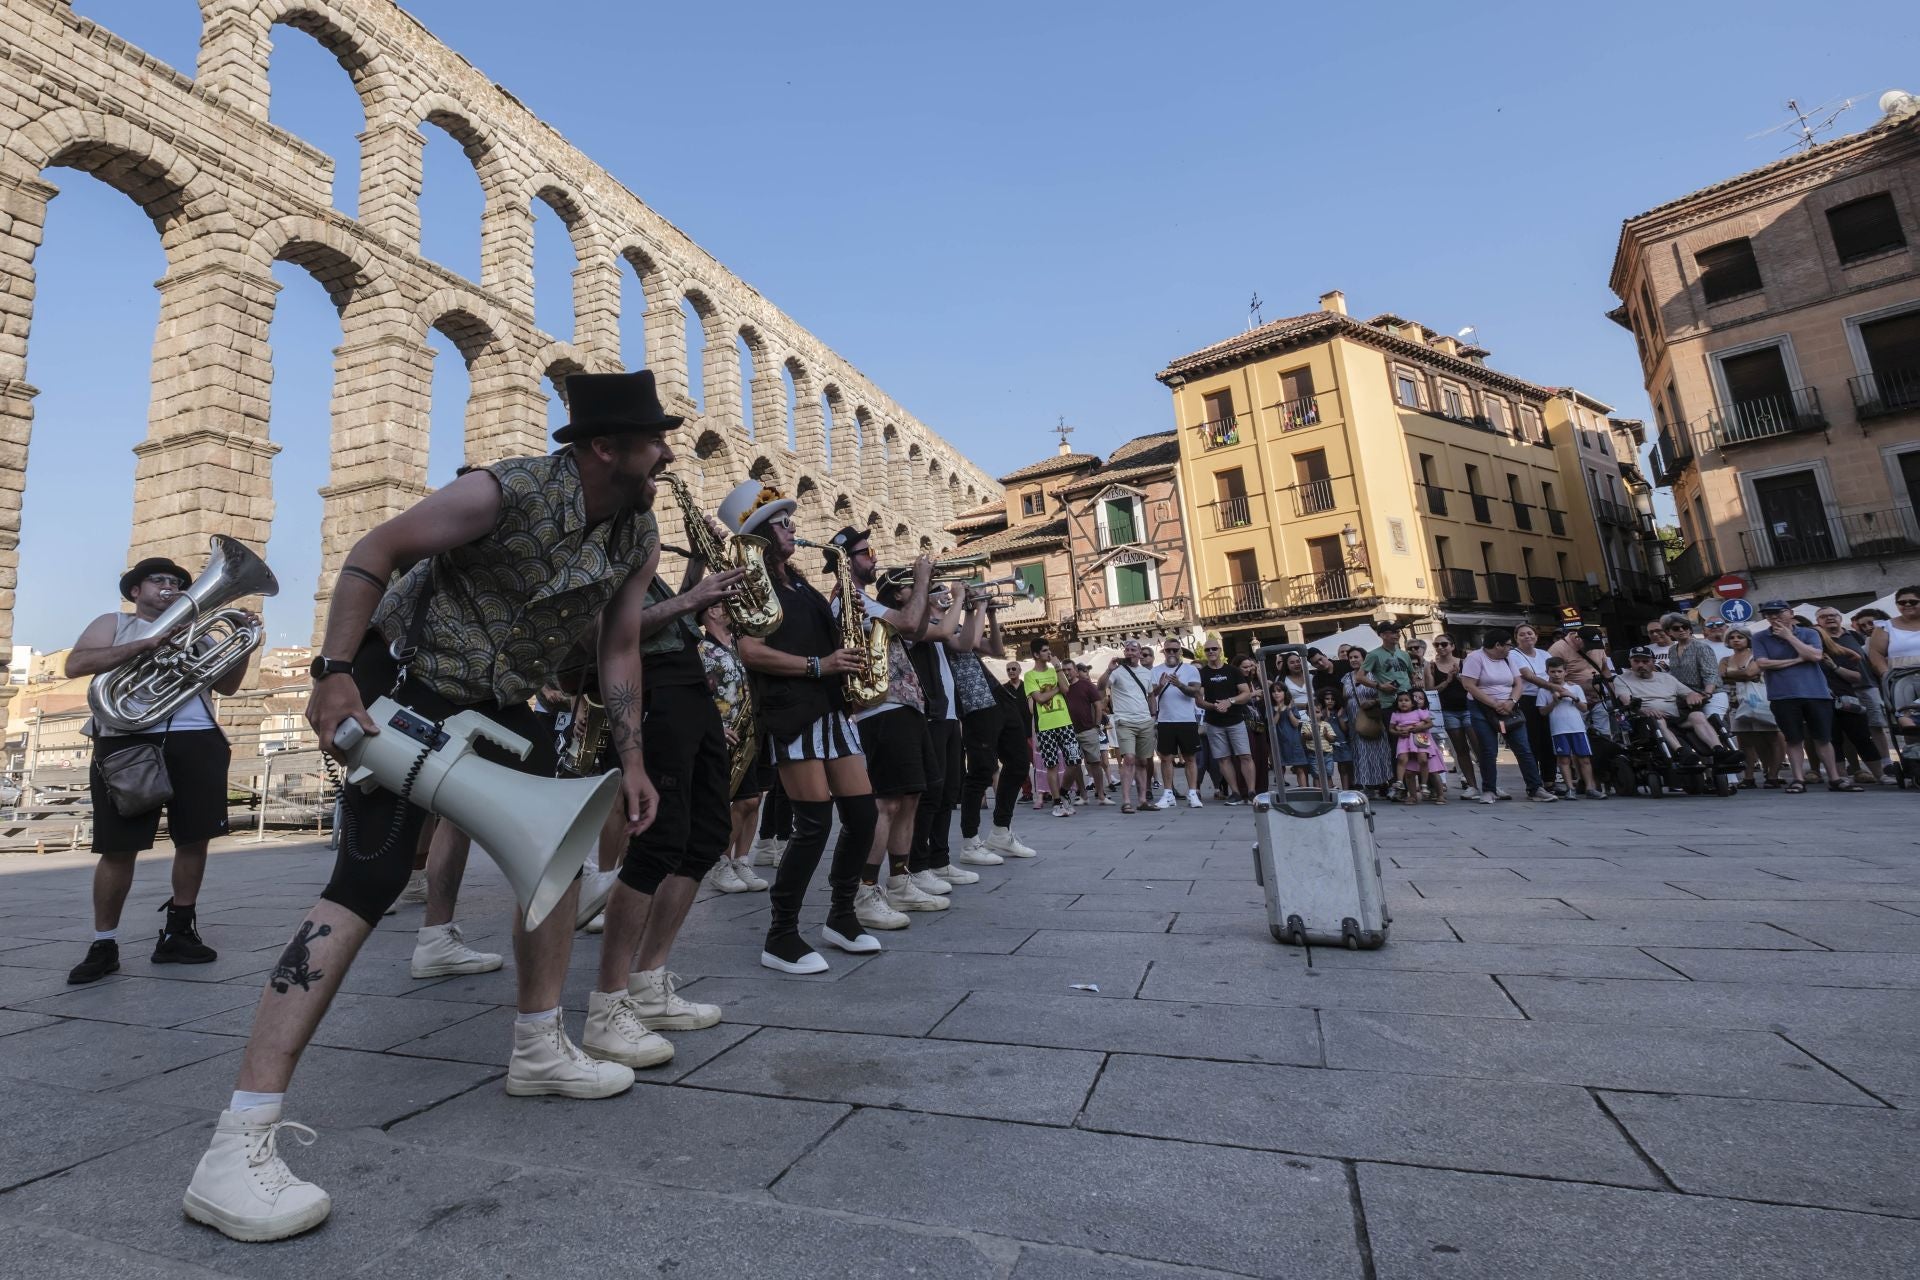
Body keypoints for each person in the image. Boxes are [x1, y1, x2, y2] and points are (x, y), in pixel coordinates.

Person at [182, 370, 674, 1242]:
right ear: (605, 447)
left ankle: (538, 1047)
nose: (666, 451)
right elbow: (376, 549)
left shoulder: (638, 532)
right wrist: (334, 675)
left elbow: (620, 643)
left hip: (504, 702)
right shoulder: (501, 489)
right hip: (404, 684)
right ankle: (236, 1145)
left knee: (551, 871)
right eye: (652, 439)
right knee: (365, 881)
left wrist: (630, 757)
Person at [64, 556, 255, 985]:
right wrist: (142, 646)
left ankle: (179, 932)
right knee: (118, 845)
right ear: (135, 591)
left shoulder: (198, 631)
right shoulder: (113, 622)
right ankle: (103, 943)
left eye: (177, 582)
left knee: (194, 838)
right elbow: (75, 665)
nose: (169, 587)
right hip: (126, 738)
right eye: (158, 581)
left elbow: (227, 685)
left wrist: (245, 641)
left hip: (196, 738)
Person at [821, 531, 942, 920]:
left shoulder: (866, 598)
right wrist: (922, 579)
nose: (875, 559)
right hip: (881, 709)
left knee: (909, 797)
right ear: (847, 560)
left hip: (902, 703)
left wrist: (929, 595)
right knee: (887, 802)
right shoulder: (851, 600)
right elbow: (907, 623)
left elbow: (918, 629)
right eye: (867, 553)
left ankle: (901, 880)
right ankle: (865, 891)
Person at [906, 578, 987, 888]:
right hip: (932, 716)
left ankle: (940, 860)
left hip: (951, 716)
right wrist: (958, 598)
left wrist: (976, 607)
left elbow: (967, 643)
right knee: (931, 793)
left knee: (949, 790)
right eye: (936, 591)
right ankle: (919, 863)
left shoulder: (940, 621)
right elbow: (943, 631)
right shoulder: (919, 624)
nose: (943, 595)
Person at [699, 599, 769, 894]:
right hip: (724, 732)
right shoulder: (700, 650)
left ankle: (742, 860)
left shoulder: (740, 643)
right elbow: (696, 693)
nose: (732, 607)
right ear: (712, 611)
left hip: (750, 730)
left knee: (754, 799)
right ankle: (720, 862)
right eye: (725, 603)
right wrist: (713, 726)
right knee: (736, 800)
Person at [953, 603, 1034, 861]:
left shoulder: (954, 623)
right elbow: (966, 644)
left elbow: (997, 650)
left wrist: (990, 614)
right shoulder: (934, 626)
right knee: (981, 772)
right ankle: (970, 842)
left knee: (1020, 763)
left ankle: (1001, 830)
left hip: (997, 695)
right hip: (973, 702)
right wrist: (973, 607)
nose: (946, 595)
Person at [1751, 600, 1856, 795]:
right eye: (1768, 614)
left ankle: (1834, 778)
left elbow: (1815, 656)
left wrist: (1790, 637)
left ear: (1790, 613)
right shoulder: (1760, 638)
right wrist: (1798, 659)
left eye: (1778, 613)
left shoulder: (1809, 633)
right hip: (1783, 695)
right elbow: (1763, 664)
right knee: (1794, 739)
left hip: (1816, 693)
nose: (1773, 617)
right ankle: (1798, 779)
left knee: (1823, 738)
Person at [1459, 629, 1555, 804]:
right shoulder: (1475, 658)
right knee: (1489, 750)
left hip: (1509, 707)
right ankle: (1489, 789)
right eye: (1508, 644)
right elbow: (1469, 685)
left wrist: (1511, 701)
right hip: (1482, 707)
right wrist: (1493, 704)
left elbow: (1518, 683)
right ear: (1498, 645)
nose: (1510, 648)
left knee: (1523, 748)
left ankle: (1535, 788)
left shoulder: (1508, 657)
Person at [1813, 606, 1887, 784]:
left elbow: (1862, 661)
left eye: (1832, 615)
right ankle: (1846, 774)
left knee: (1869, 730)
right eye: (1824, 617)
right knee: (1836, 736)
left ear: (1840, 618)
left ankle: (1884, 769)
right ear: (1819, 622)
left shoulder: (1854, 636)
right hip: (1830, 696)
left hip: (1864, 687)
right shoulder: (1814, 646)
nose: (1829, 618)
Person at [1614, 645, 1723, 758]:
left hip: (1675, 717)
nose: (1641, 665)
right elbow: (1627, 701)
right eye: (1636, 661)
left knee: (1698, 715)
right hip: (1646, 719)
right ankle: (1681, 752)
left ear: (1653, 662)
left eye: (1645, 661)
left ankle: (1719, 750)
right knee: (1658, 720)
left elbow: (1689, 693)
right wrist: (1645, 710)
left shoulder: (1666, 678)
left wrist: (1692, 695)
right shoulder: (1621, 679)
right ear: (1630, 662)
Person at [1024, 638, 1082, 818]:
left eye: (1049, 650)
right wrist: (1055, 689)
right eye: (1044, 651)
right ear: (1035, 654)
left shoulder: (1054, 670)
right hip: (1046, 727)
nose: (1049, 653)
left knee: (1074, 760)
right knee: (1052, 765)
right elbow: (1039, 699)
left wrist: (1058, 669)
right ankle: (1057, 802)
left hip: (1065, 722)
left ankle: (1063, 793)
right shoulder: (1030, 676)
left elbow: (1066, 689)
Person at [1099, 639, 1156, 813]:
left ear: (1140, 654)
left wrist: (1153, 716)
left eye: (1133, 650)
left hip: (1145, 721)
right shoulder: (1117, 671)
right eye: (1127, 650)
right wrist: (1109, 669)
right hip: (1125, 721)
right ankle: (1126, 801)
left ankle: (1142, 800)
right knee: (1129, 758)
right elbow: (1101, 687)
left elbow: (1151, 695)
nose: (1130, 652)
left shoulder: (1146, 673)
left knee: (1143, 761)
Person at [1719, 627, 1781, 788]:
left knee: (1771, 738)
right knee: (1744, 741)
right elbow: (1723, 675)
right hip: (1736, 704)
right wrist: (1744, 673)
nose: (1736, 639)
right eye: (1732, 637)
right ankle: (1748, 777)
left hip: (1760, 701)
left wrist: (1731, 674)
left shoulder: (1756, 655)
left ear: (1748, 639)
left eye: (1740, 636)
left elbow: (1750, 673)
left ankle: (1773, 775)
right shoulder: (1725, 659)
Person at [1197, 638, 1256, 803]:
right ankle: (1235, 792)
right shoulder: (1202, 673)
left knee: (1245, 755)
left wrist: (1229, 701)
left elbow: (1245, 693)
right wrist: (1214, 706)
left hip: (1236, 720)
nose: (1211, 652)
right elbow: (1199, 700)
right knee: (1223, 758)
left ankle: (1251, 792)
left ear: (1220, 651)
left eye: (1214, 649)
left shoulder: (1233, 671)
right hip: (1214, 722)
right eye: (1208, 650)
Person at [1149, 637, 1203, 808]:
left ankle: (1193, 793)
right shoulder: (1156, 671)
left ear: (1180, 652)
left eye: (1175, 650)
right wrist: (1160, 685)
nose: (1171, 653)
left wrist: (1179, 684)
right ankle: (1168, 794)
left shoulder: (1191, 670)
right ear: (1163, 652)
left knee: (1190, 758)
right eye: (1168, 650)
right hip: (1165, 720)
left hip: (1186, 719)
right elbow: (1151, 695)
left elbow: (1195, 692)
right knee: (1165, 758)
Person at [1656, 615, 1724, 751]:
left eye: (1685, 627)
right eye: (1676, 628)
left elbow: (1711, 674)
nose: (1681, 630)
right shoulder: (1672, 650)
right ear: (1669, 632)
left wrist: (1708, 693)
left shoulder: (1701, 647)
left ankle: (1727, 763)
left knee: (1715, 730)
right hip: (1687, 698)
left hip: (1711, 694)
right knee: (1695, 736)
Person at [1427, 635, 1479, 798]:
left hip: (1469, 708)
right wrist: (1448, 680)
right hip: (1448, 711)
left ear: (1452, 646)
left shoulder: (1465, 662)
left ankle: (1491, 783)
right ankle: (1471, 785)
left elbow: (1474, 685)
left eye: (1444, 644)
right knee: (1460, 749)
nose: (1440, 647)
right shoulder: (1432, 667)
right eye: (1437, 645)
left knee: (1479, 748)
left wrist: (1458, 677)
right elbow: (1431, 691)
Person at [1543, 655, 1598, 799]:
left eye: (1559, 671)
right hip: (1558, 729)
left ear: (1565, 672)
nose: (1556, 674)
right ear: (1547, 672)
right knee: (1564, 759)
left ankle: (1590, 788)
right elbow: (1542, 711)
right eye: (1553, 671)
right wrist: (1554, 702)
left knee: (1584, 758)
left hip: (1577, 728)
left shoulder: (1575, 688)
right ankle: (1570, 788)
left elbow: (1584, 708)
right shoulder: (1544, 690)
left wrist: (1573, 696)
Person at [1063, 660, 1112, 805]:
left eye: (1069, 669)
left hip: (1088, 729)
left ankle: (1101, 795)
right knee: (1075, 764)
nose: (1066, 672)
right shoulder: (1062, 687)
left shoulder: (1086, 685)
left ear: (1075, 671)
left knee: (1095, 763)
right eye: (1064, 670)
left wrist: (1097, 725)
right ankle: (1083, 795)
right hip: (1070, 732)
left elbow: (1098, 705)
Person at [1388, 690, 1445, 804]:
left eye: (1421, 698)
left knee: (1433, 771)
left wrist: (1417, 728)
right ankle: (1413, 796)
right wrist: (1399, 731)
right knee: (1409, 772)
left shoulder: (1422, 713)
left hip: (1424, 744)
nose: (1417, 700)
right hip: (1408, 745)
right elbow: (1392, 728)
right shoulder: (1398, 715)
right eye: (1415, 697)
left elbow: (1428, 724)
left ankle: (1440, 795)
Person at [1867, 588, 1920, 678]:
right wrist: (1885, 674)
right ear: (1897, 605)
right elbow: (1876, 653)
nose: (1907, 604)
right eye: (1902, 602)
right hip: (1903, 680)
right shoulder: (1885, 626)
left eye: (1913, 602)